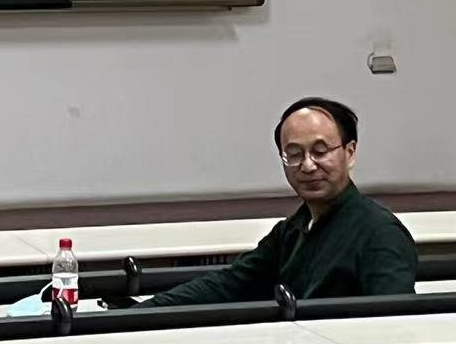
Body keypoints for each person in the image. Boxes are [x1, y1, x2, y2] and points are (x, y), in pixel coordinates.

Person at [149, 97, 418, 305]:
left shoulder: (379, 233)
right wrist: (141, 313)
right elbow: (229, 283)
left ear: (350, 153)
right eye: (294, 154)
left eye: (321, 151)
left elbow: (393, 328)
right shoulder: (291, 231)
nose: (308, 166)